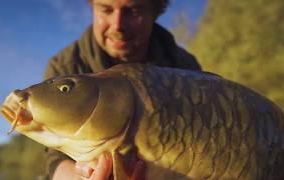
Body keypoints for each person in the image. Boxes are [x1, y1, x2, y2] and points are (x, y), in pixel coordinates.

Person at [43, 0, 202, 179]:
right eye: (106, 9)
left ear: (154, 12)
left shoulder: (185, 69)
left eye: (133, 11)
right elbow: (55, 159)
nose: (117, 25)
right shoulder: (66, 68)